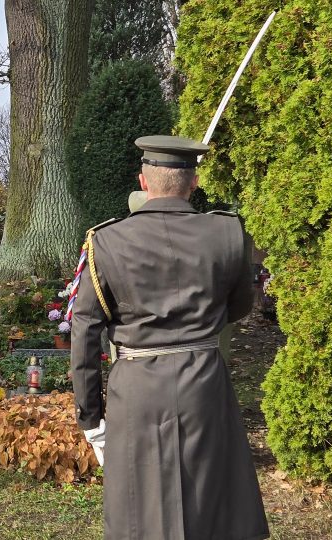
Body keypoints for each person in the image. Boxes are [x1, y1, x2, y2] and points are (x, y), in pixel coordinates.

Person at [69, 135, 268, 539]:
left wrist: (90, 418)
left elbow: (85, 331)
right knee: (210, 503)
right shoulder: (228, 232)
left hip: (138, 390)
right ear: (194, 182)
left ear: (143, 181)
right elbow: (238, 307)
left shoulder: (106, 241)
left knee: (139, 510)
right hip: (203, 382)